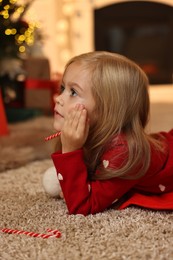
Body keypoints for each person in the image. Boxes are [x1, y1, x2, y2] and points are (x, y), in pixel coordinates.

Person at [50, 51, 173, 216]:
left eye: (73, 92)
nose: (59, 98)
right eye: (63, 88)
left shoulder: (124, 152)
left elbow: (83, 206)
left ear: (108, 111)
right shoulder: (94, 135)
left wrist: (70, 149)